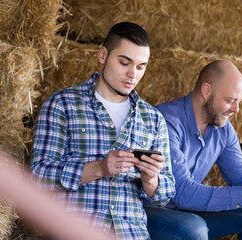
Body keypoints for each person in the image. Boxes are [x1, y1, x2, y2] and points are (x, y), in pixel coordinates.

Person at [31, 22, 175, 240]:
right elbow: (38, 177)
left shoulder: (153, 119)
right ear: (102, 55)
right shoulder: (62, 104)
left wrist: (150, 179)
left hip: (131, 233)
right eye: (124, 62)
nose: (132, 74)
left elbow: (166, 194)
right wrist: (99, 168)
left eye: (140, 66)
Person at [145, 59, 242, 240]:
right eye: (230, 100)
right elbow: (182, 192)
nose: (236, 109)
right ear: (206, 91)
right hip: (150, 212)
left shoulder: (223, 128)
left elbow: (241, 177)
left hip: (184, 211)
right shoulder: (166, 121)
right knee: (194, 228)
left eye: (238, 101)